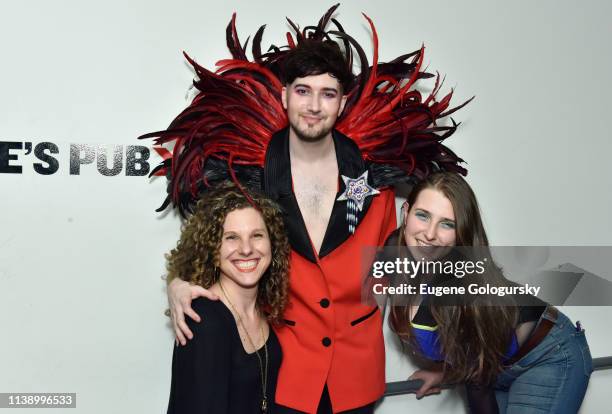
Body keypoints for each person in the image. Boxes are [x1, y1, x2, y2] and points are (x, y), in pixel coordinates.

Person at [147, 6, 470, 412]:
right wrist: (177, 284)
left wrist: (449, 363)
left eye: (328, 93)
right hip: (286, 378)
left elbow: (401, 279)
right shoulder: (250, 179)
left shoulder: (376, 184)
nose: (314, 105)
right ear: (285, 95)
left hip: (357, 380)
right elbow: (219, 246)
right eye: (303, 91)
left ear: (342, 102)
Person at [385, 172, 593, 413]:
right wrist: (445, 372)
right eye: (423, 215)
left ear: (461, 231)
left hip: (546, 355)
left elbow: (478, 384)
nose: (429, 234)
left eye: (447, 223)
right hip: (495, 365)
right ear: (406, 212)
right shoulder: (394, 254)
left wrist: (457, 371)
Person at [165, 183, 290, 413]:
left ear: (273, 243)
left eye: (257, 235)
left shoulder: (264, 307)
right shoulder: (204, 320)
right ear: (212, 246)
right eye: (231, 237)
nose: (246, 249)